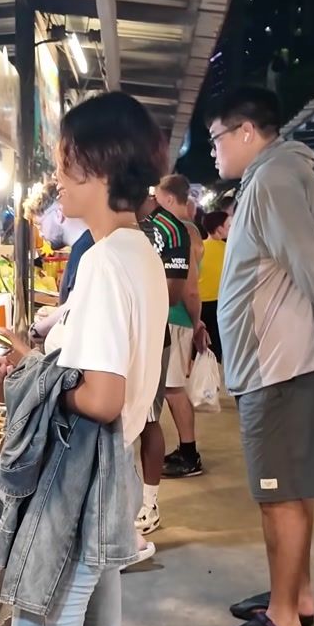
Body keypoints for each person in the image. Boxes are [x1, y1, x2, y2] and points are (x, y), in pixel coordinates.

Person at [0, 91, 167, 626]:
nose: (57, 180)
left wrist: (38, 373)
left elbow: (99, 395)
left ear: (100, 168)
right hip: (117, 476)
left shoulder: (101, 263)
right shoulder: (139, 251)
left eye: (65, 163)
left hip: (81, 478)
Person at [203, 86, 314, 626]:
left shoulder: (273, 178)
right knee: (291, 489)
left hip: (281, 365)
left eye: (217, 139)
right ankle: (295, 595)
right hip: (284, 361)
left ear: (246, 131)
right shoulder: (277, 176)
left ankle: (284, 618)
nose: (213, 151)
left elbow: (312, 260)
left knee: (278, 495)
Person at [133, 189, 192, 528]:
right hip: (119, 337)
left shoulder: (170, 228)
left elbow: (173, 293)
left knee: (148, 419)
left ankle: (149, 505)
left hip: (153, 337)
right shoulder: (119, 221)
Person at [155, 173, 209, 479]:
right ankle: (186, 450)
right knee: (170, 386)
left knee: (173, 388)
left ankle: (190, 454)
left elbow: (189, 288)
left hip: (175, 318)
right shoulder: (189, 229)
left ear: (168, 198)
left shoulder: (181, 232)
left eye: (157, 199)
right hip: (176, 318)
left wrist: (196, 322)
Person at [197, 208, 229, 364]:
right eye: (228, 226)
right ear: (219, 229)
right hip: (220, 303)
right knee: (217, 344)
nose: (230, 229)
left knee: (201, 344)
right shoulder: (228, 249)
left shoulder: (199, 247)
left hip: (199, 305)